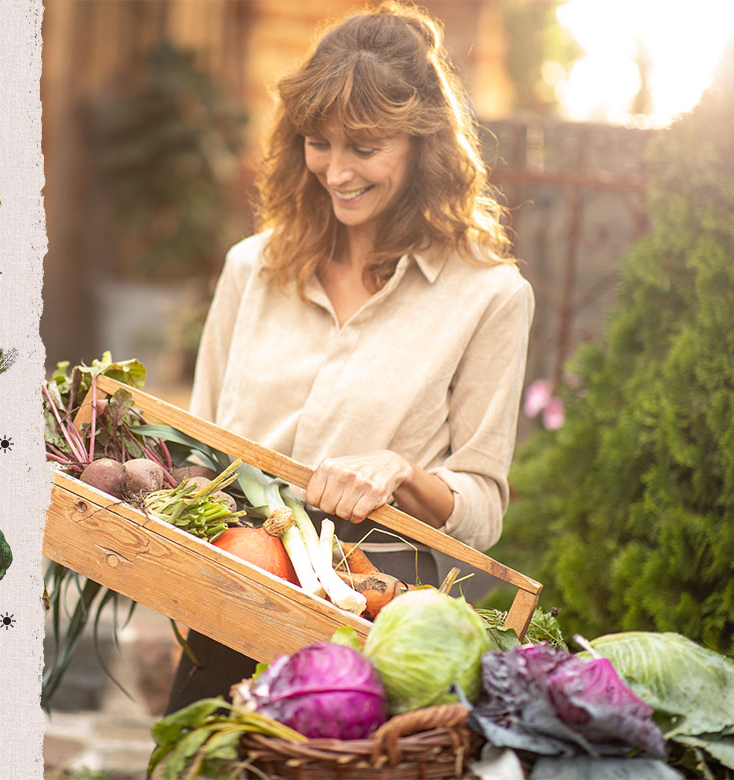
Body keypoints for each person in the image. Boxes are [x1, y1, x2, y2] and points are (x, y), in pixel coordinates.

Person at [166, 2, 534, 711]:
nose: (336, 172)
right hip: (225, 608)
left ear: (423, 146)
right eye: (319, 143)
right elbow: (196, 444)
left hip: (364, 644)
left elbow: (483, 505)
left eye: (365, 149)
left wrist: (403, 473)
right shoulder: (253, 268)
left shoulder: (489, 296)